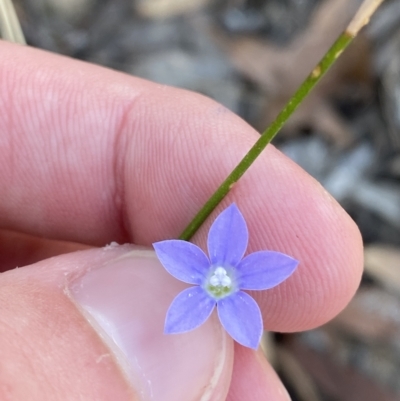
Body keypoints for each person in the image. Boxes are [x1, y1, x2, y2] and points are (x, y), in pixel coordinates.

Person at [0, 40, 363, 401]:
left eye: (221, 282)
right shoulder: (192, 271)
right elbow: (173, 258)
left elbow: (247, 317)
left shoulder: (242, 296)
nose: (220, 281)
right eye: (219, 281)